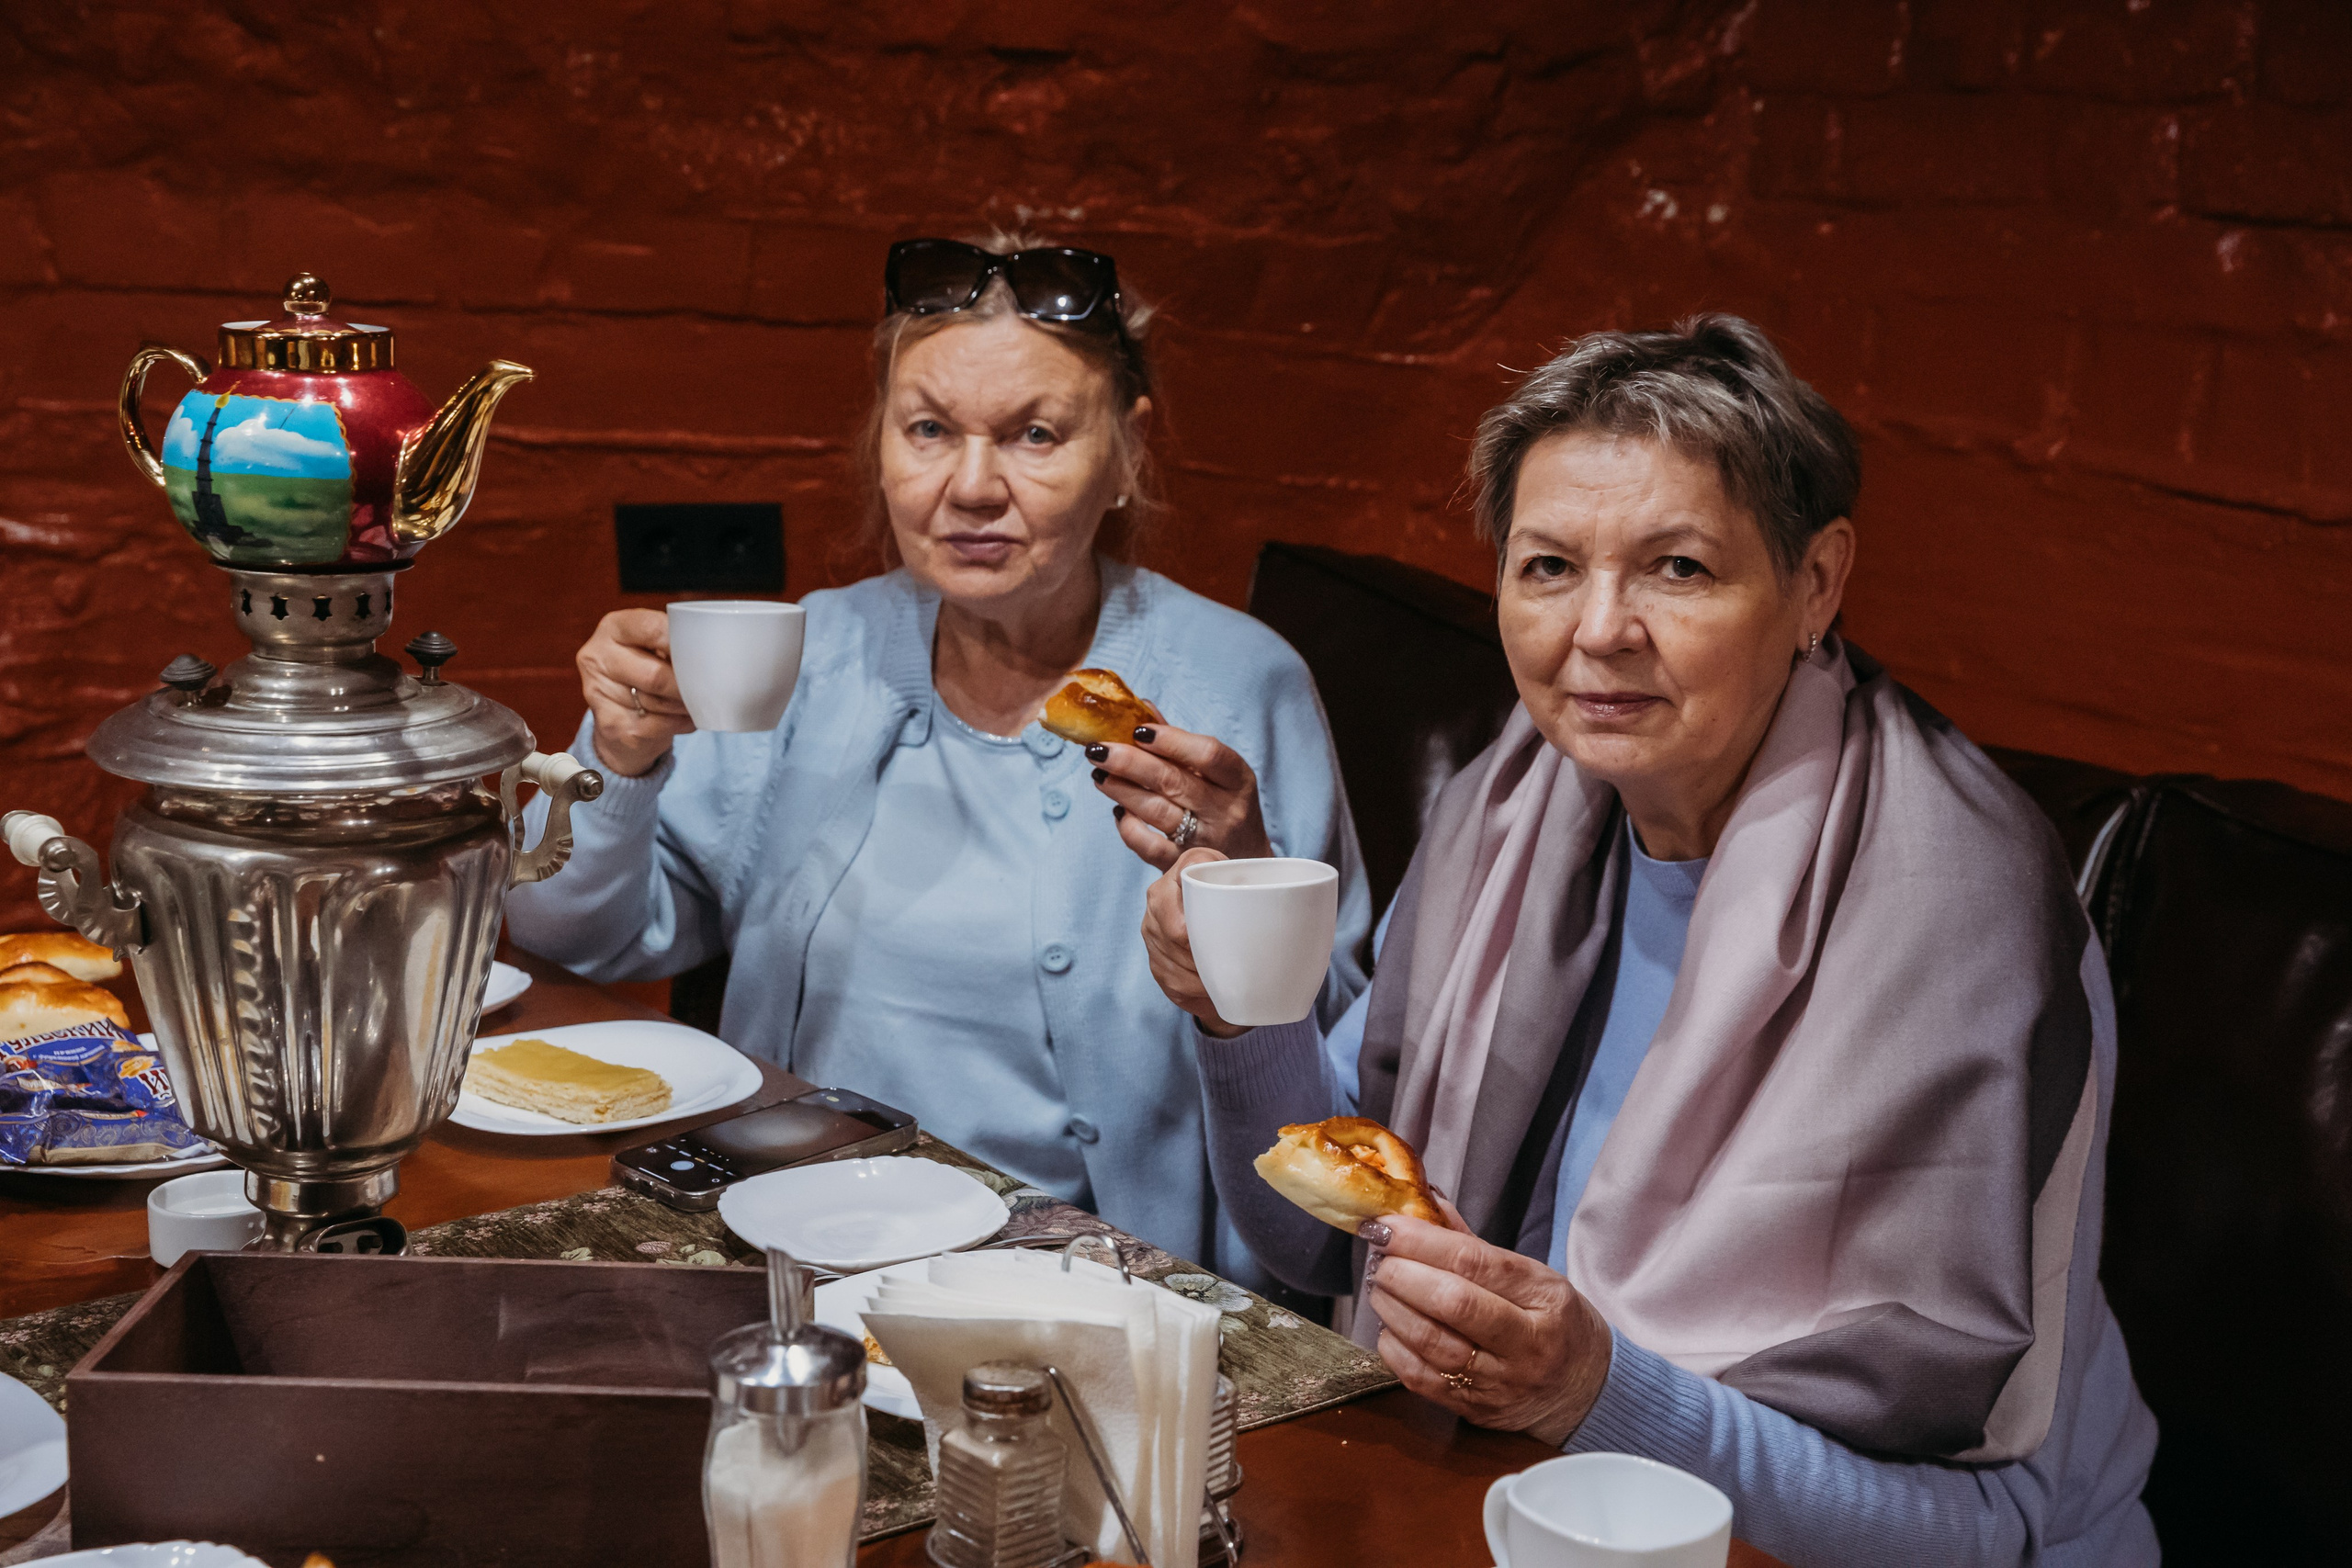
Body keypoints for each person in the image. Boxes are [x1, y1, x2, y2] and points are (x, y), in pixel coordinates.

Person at [1142, 316, 2158, 1562]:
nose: (1600, 629)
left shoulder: (1957, 923)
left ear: (1817, 584)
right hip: (1535, 1502)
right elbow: (1316, 1238)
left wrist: (1588, 1388)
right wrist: (1239, 1010)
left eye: (1678, 567)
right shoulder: (1511, 808)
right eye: (1549, 565)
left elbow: (1980, 1527)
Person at [507, 235, 1372, 1292]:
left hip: (1103, 1283)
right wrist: (624, 759)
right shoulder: (812, 654)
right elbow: (581, 936)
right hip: (800, 1240)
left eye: (1035, 435)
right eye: (928, 429)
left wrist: (1246, 903)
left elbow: (1328, 1087)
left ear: (1125, 451)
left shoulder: (1235, 685)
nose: (970, 486)